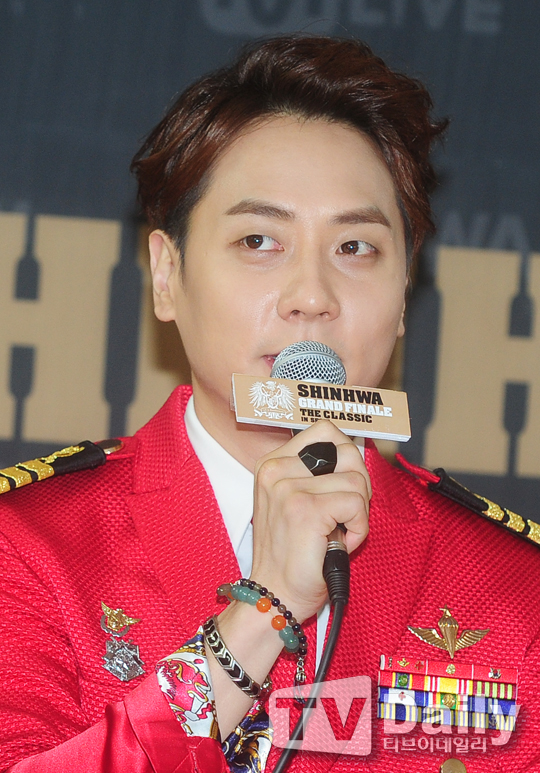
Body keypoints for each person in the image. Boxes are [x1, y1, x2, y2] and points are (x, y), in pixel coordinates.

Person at [1, 34, 539, 773]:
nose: (312, 297)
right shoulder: (29, 546)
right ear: (167, 274)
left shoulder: (512, 587)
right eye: (259, 240)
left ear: (404, 292)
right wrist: (267, 606)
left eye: (356, 248)